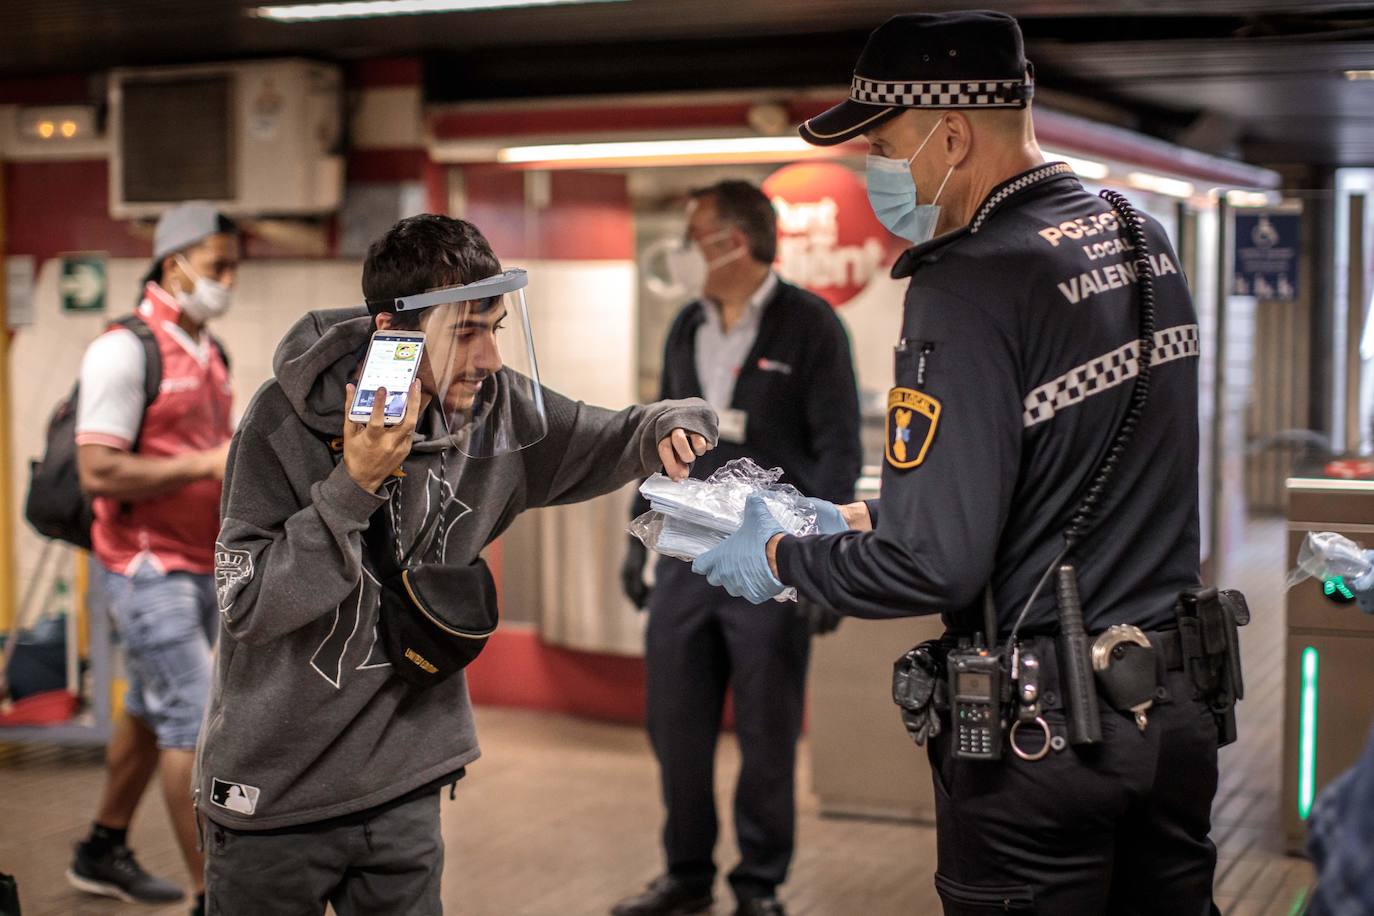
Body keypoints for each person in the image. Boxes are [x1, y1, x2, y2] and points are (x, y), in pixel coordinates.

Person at [693, 11, 1225, 914]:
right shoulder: (1141, 239)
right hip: (1174, 712)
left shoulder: (968, 277)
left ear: (949, 133)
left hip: (1045, 736)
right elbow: (1058, 467)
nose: (878, 170)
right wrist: (859, 515)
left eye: (884, 143)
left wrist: (780, 556)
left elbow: (936, 564)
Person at [196, 213, 717, 915]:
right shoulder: (281, 424)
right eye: (467, 332)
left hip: (405, 781)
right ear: (394, 333)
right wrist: (354, 486)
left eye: (495, 328)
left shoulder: (500, 411)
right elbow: (251, 607)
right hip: (275, 794)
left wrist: (671, 423)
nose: (490, 358)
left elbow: (617, 435)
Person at [615, 181, 862, 916]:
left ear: (735, 242)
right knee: (677, 724)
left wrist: (823, 567)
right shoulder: (685, 325)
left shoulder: (812, 326)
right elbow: (664, 442)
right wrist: (641, 532)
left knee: (766, 730)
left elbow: (839, 451)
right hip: (688, 560)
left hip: (775, 564)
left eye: (695, 236)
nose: (685, 252)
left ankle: (759, 886)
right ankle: (686, 875)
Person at [67, 202, 239, 913]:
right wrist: (204, 464)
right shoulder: (122, 349)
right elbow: (98, 472)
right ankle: (214, 895)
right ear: (174, 265)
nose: (229, 280)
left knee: (147, 710)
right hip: (144, 566)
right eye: (217, 266)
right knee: (196, 722)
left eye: (233, 267)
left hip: (201, 561)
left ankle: (102, 848)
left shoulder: (210, 351)